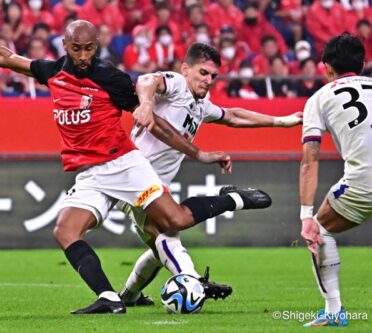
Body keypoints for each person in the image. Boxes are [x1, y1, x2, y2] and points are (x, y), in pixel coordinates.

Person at [0, 19, 271, 315]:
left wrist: (199, 154)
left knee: (174, 221)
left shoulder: (111, 78)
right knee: (65, 230)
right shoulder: (52, 71)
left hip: (123, 163)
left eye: (89, 49)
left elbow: (157, 123)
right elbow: (2, 56)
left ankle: (231, 200)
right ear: (65, 45)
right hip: (90, 173)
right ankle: (109, 298)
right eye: (76, 49)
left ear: (97, 46)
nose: (83, 56)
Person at [118, 42, 302, 306]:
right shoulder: (178, 84)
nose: (208, 81)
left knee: (162, 242)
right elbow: (147, 79)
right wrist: (146, 103)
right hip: (133, 175)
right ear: (186, 69)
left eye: (213, 76)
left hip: (155, 184)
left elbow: (234, 116)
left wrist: (282, 121)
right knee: (167, 231)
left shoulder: (201, 105)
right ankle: (193, 278)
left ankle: (130, 295)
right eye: (203, 73)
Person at [299, 33, 372, 327]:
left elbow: (310, 159)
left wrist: (306, 215)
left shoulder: (320, 97)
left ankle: (333, 310)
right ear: (364, 64)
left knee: (320, 229)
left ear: (327, 67)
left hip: (362, 182)